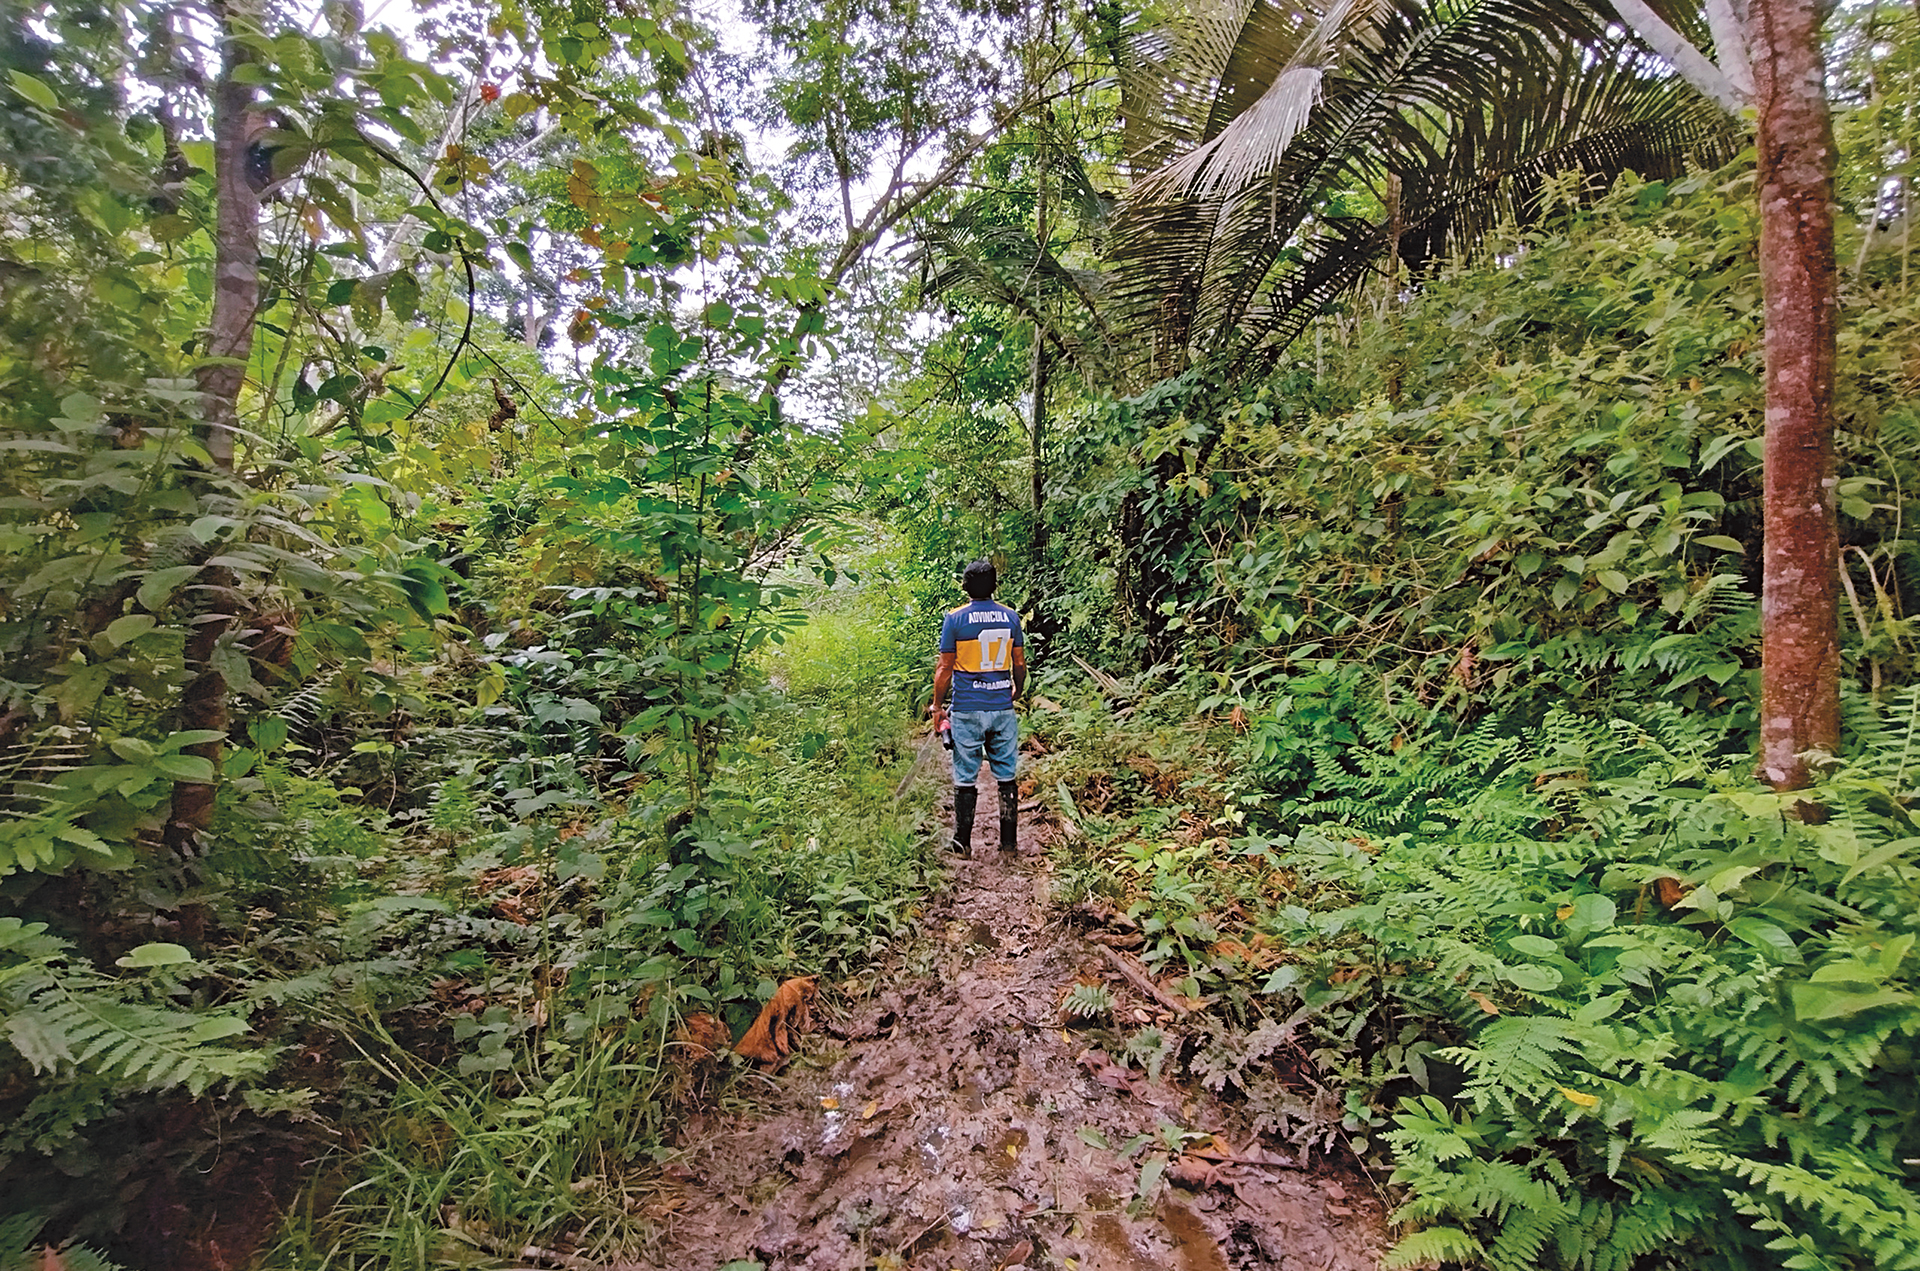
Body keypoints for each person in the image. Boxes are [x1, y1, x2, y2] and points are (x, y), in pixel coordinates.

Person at [931, 559, 1027, 853]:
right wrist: (1017, 689)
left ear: (965, 586)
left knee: (964, 775)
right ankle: (1009, 844)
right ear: (995, 586)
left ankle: (962, 843)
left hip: (967, 708)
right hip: (1002, 707)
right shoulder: (1011, 617)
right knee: (1007, 775)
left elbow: (944, 669)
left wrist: (937, 706)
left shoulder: (955, 619)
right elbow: (1019, 663)